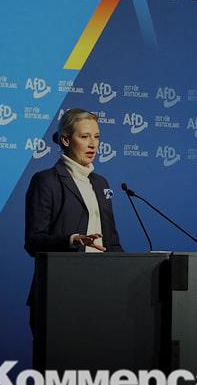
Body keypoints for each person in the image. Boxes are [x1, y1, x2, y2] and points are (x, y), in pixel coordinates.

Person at [24, 108, 124, 334]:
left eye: (96, 137)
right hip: (59, 293)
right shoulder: (46, 181)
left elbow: (112, 241)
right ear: (66, 140)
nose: (93, 144)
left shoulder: (101, 183)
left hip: (102, 293)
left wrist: (128, 273)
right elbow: (33, 242)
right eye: (85, 136)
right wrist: (72, 240)